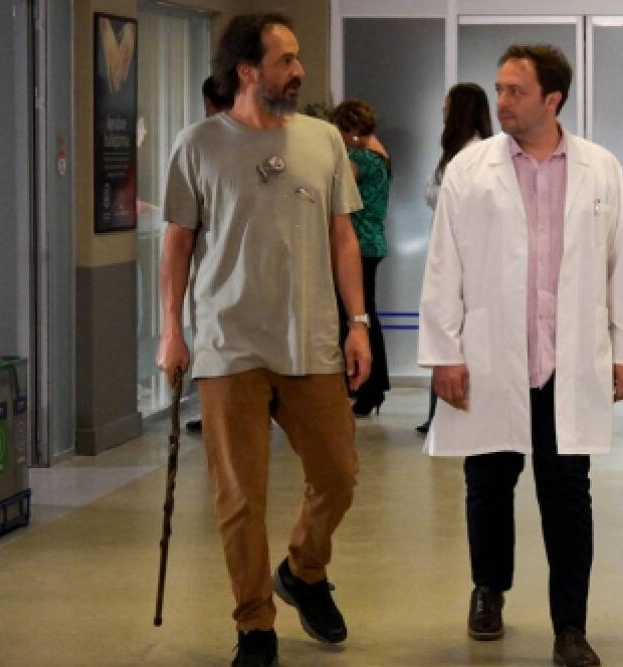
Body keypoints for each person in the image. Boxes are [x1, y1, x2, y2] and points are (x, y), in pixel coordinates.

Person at [418, 43, 623, 667]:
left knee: (568, 494)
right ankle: (488, 589)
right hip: (493, 356)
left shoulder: (600, 167)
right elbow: (444, 265)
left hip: (565, 361)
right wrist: (443, 352)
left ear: (553, 98)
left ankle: (570, 627)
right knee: (488, 484)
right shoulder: (470, 168)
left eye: (515, 91)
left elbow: (619, 259)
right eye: (498, 89)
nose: (502, 102)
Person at [156, 13, 368, 667]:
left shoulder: (324, 140)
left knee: (338, 475)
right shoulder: (197, 145)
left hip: (311, 341)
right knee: (240, 497)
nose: (298, 70)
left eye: (298, 57)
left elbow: (342, 236)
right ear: (248, 70)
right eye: (286, 60)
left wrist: (359, 323)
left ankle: (303, 570)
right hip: (229, 345)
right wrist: (171, 331)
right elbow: (178, 244)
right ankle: (255, 625)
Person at [417, 82, 492, 435]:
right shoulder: (455, 152)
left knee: (455, 336)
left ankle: (447, 410)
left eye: (447, 104)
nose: (442, 110)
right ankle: (438, 411)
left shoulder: (473, 155)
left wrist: (437, 192)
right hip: (449, 250)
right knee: (445, 334)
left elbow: (444, 196)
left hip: (467, 258)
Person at [331, 99, 393, 417]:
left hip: (358, 244)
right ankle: (373, 387)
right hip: (373, 240)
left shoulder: (359, 158)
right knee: (367, 314)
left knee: (357, 316)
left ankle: (366, 387)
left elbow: (334, 191)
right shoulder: (381, 154)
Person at [185, 75, 234, 437]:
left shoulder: (200, 145)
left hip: (212, 274)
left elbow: (181, 230)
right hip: (233, 277)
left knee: (213, 347)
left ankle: (216, 413)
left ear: (208, 104)